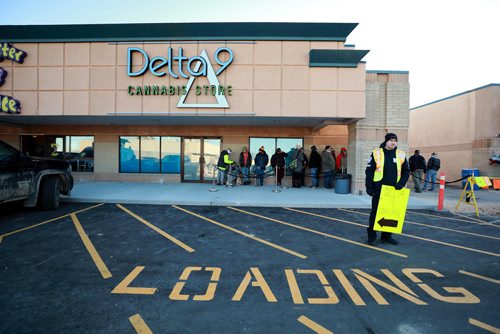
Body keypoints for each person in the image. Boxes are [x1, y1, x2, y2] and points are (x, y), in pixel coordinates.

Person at [365, 133, 410, 245]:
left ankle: (386, 236)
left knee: (391, 214)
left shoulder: (401, 154)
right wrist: (369, 187)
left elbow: (406, 171)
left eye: (395, 140)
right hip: (379, 189)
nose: (393, 142)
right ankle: (371, 236)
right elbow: (369, 171)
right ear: (386, 141)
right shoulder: (376, 153)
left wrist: (401, 184)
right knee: (375, 213)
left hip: (394, 190)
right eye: (391, 140)